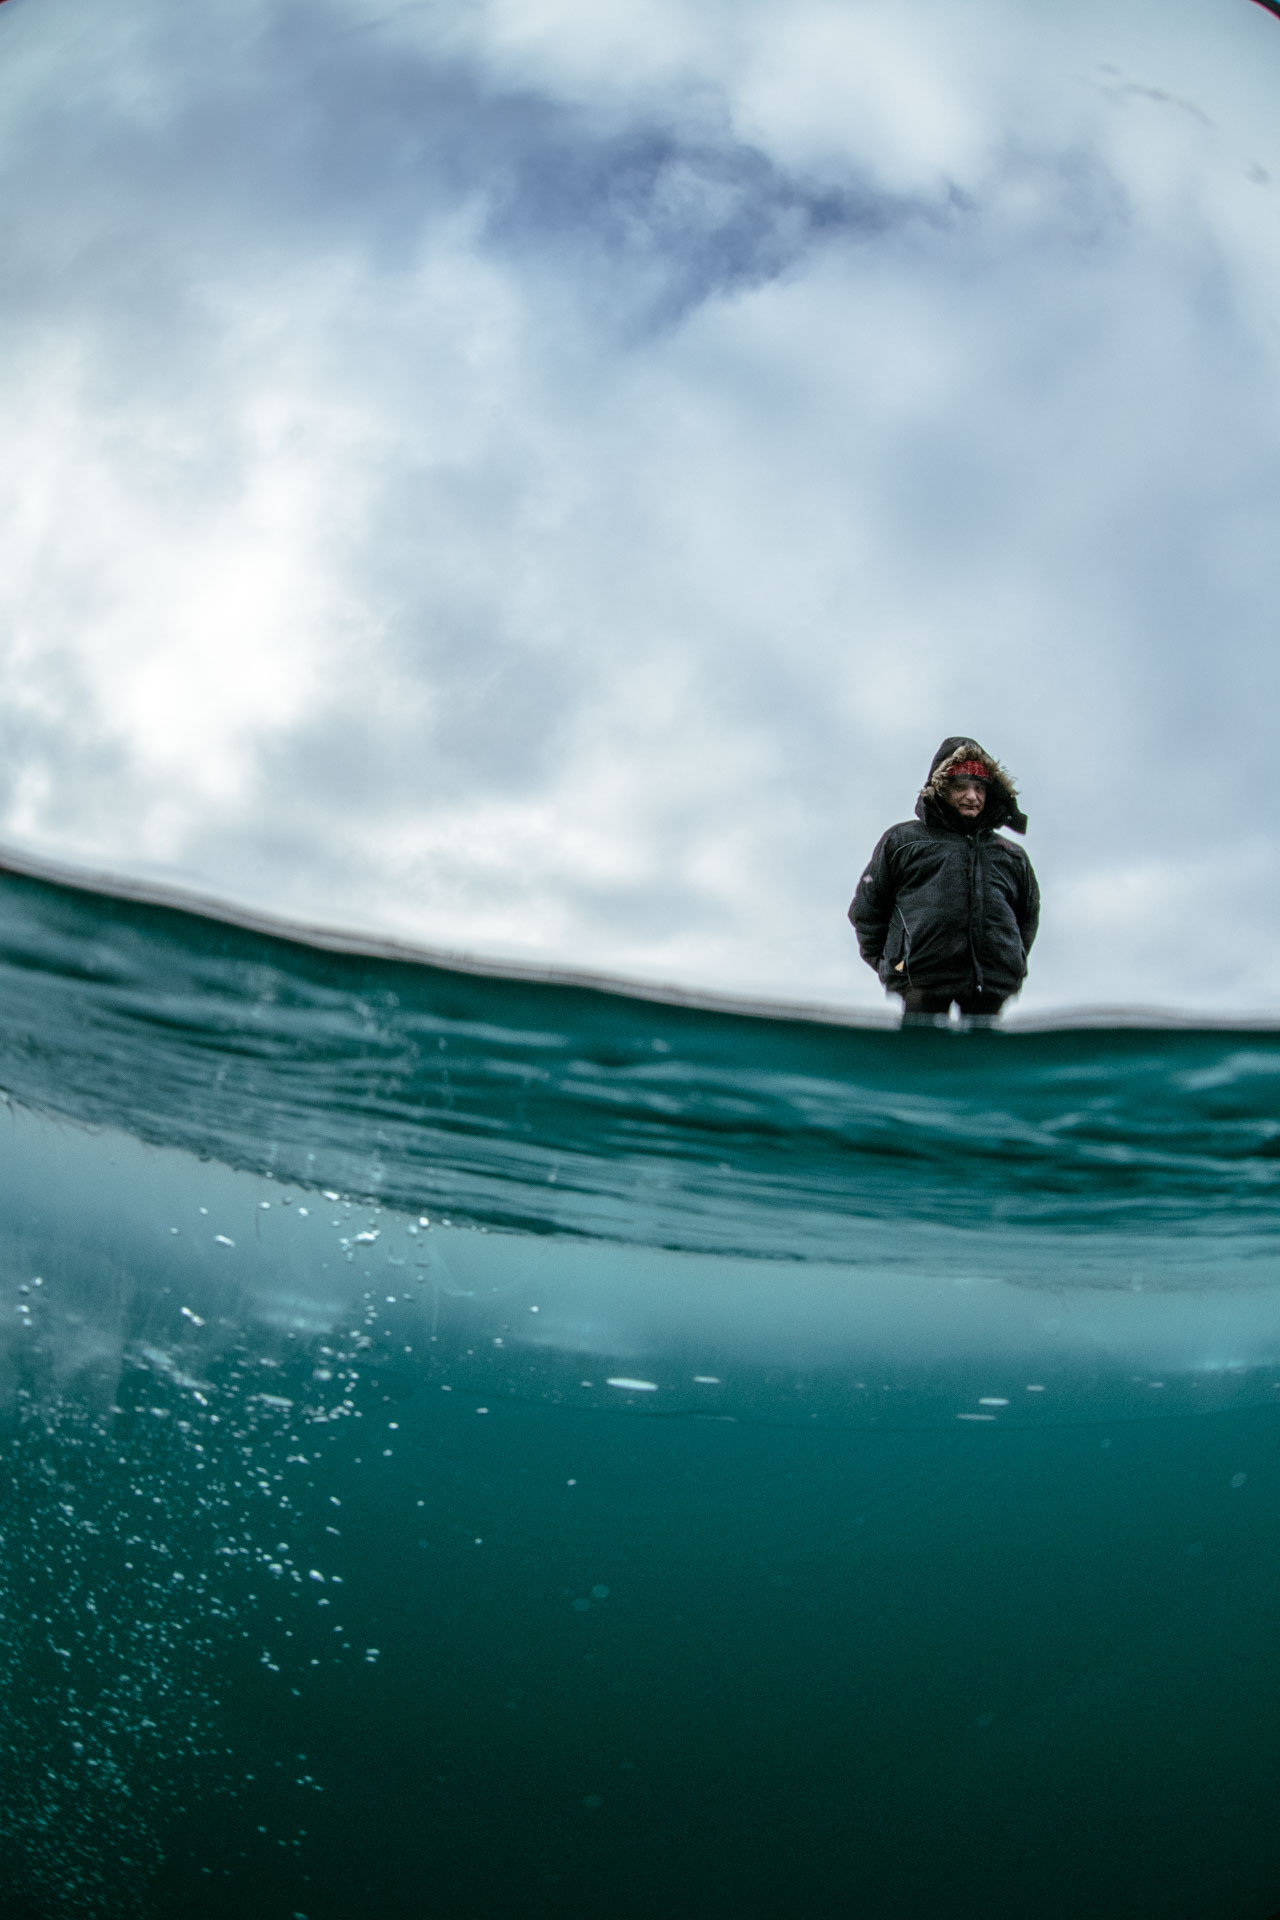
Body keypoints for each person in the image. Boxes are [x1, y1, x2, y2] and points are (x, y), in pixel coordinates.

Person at [849, 736, 1039, 1026]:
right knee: (920, 1063)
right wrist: (894, 965)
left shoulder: (1012, 856)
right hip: (919, 983)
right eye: (960, 786)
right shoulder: (902, 842)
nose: (972, 796)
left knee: (983, 1066)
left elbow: (1027, 918)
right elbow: (867, 911)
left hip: (990, 987)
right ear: (941, 787)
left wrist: (1009, 964)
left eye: (979, 788)